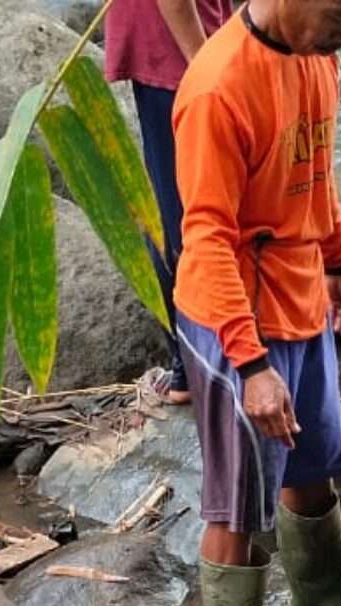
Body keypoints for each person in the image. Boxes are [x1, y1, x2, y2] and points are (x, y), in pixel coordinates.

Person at [172, 0, 341, 606]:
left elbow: (316, 174)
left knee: (316, 457)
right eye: (340, 12)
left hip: (298, 290)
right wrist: (251, 362)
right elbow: (207, 236)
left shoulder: (317, 59)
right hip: (234, 313)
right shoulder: (217, 86)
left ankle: (320, 591)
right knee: (238, 504)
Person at [103, 0, 235, 405]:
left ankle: (193, 362)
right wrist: (203, 65)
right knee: (181, 208)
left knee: (182, 196)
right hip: (174, 40)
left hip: (187, 33)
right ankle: (188, 366)